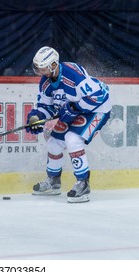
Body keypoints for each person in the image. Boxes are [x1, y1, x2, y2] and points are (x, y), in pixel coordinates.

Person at [26, 46, 111, 203]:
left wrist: (74, 107)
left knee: (72, 139)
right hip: (75, 111)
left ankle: (83, 183)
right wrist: (36, 117)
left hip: (97, 110)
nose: (39, 72)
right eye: (38, 68)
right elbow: (46, 107)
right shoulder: (45, 82)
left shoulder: (73, 74)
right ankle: (54, 181)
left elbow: (99, 96)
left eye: (42, 68)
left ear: (53, 65)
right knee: (53, 143)